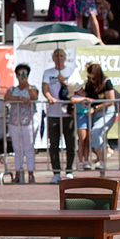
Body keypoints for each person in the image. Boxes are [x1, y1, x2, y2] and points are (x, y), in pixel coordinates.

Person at [41, 48, 76, 183]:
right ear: (53, 58)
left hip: (68, 113)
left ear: (65, 57)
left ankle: (69, 171)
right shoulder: (48, 73)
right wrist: (49, 97)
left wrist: (65, 82)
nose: (59, 58)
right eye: (56, 56)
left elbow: (76, 89)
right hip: (53, 113)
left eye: (61, 55)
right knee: (53, 144)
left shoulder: (71, 71)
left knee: (70, 143)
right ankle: (56, 172)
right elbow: (45, 89)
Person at [4, 63, 37, 184]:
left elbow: (34, 97)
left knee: (29, 148)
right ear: (16, 75)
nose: (22, 76)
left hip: (28, 122)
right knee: (17, 149)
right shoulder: (12, 89)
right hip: (14, 122)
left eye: (25, 74)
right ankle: (18, 173)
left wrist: (26, 85)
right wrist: (19, 99)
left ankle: (31, 174)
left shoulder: (32, 87)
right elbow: (7, 98)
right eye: (20, 74)